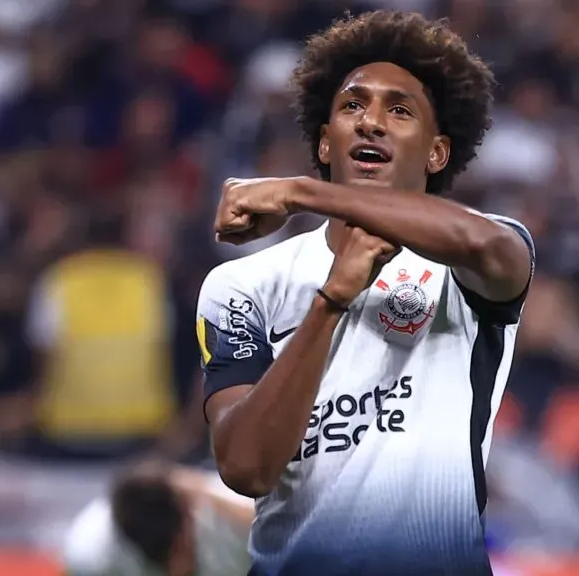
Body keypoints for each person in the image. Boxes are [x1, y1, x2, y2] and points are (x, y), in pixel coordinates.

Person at [197, 11, 535, 576]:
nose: (371, 122)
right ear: (326, 142)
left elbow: (483, 243)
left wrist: (301, 191)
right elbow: (247, 468)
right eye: (353, 105)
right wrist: (330, 302)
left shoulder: (475, 256)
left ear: (437, 153)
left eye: (399, 110)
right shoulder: (241, 285)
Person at [61, 463, 253, 576]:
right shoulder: (91, 555)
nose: (178, 569)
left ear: (188, 512)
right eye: (163, 559)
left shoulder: (236, 517)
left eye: (183, 549)